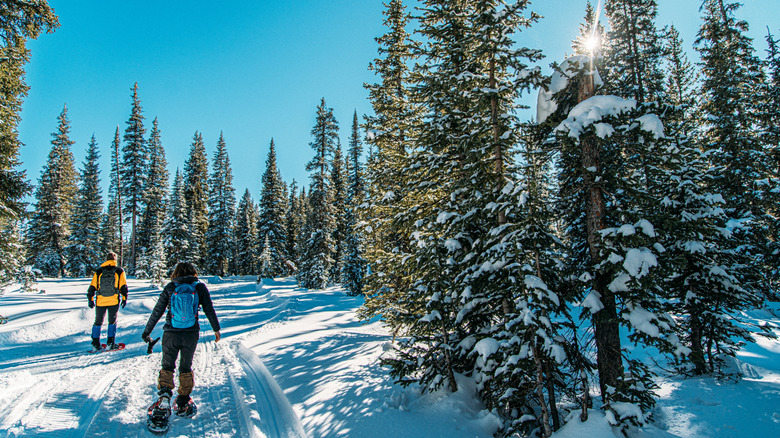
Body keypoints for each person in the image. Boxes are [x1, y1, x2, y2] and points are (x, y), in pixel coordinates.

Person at [141, 262, 221, 417]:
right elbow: (209, 308)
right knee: (186, 366)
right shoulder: (199, 287)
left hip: (171, 333)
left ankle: (164, 396)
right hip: (191, 334)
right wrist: (216, 329)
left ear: (176, 273)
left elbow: (157, 311)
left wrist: (147, 332)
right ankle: (183, 401)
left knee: (167, 364)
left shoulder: (171, 287)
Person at [86, 251, 128, 350]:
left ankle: (95, 343)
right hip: (113, 300)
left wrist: (90, 299)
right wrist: (124, 298)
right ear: (115, 259)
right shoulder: (119, 271)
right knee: (112, 321)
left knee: (98, 321)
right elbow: (123, 286)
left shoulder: (99, 271)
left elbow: (92, 286)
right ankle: (110, 343)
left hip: (100, 300)